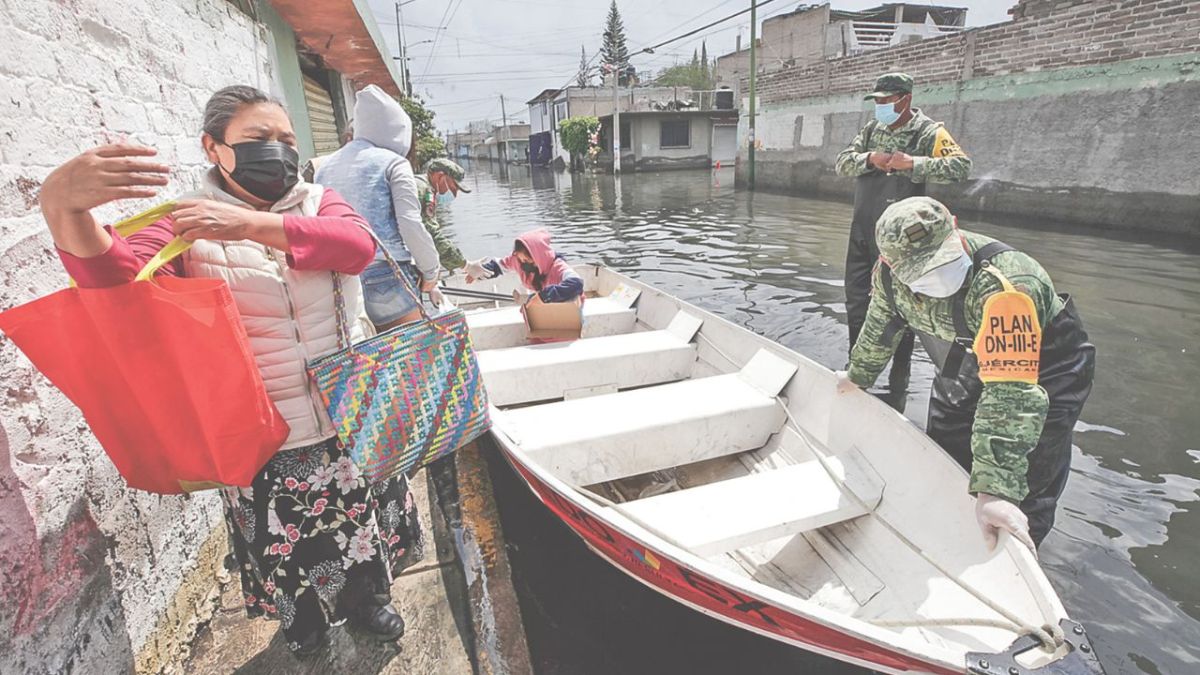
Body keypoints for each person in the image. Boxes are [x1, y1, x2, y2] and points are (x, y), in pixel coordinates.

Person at [39, 85, 419, 655]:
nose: (278, 151)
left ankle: (372, 601)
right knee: (283, 543)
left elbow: (356, 247)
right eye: (258, 139)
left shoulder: (320, 199)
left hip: (349, 409)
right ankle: (303, 624)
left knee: (361, 523)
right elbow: (117, 280)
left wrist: (245, 226)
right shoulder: (182, 223)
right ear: (214, 148)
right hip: (266, 427)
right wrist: (62, 208)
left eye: (287, 139)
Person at [837, 197, 1095, 551]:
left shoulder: (1007, 285)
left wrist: (995, 490)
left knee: (1032, 464)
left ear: (954, 227)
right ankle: (945, 536)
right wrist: (857, 376)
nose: (935, 276)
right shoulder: (886, 277)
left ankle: (1015, 551)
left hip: (1045, 365)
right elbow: (881, 324)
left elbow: (1011, 394)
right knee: (946, 436)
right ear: (888, 263)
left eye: (940, 261)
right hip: (968, 348)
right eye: (919, 272)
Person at [834, 72, 972, 409]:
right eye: (877, 101)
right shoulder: (871, 131)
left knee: (901, 310)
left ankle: (899, 386)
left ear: (904, 100)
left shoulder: (928, 131)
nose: (879, 107)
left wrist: (915, 164)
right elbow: (842, 163)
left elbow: (960, 167)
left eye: (885, 101)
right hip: (864, 231)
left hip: (904, 243)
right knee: (857, 302)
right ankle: (858, 375)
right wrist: (870, 159)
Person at [316, 85, 443, 329]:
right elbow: (410, 223)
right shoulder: (393, 162)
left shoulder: (325, 166)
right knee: (409, 355)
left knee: (370, 360)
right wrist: (430, 273)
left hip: (338, 280)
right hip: (385, 274)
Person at [464, 228, 583, 306]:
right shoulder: (518, 261)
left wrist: (543, 296)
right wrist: (478, 273)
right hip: (544, 307)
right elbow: (498, 266)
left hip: (565, 308)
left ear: (538, 257)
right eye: (521, 260)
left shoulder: (557, 266)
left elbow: (576, 283)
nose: (523, 263)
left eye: (526, 260)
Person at [415, 157, 471, 272]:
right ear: (439, 177)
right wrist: (465, 265)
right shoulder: (424, 191)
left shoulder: (416, 183)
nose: (454, 195)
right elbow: (430, 235)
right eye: (453, 188)